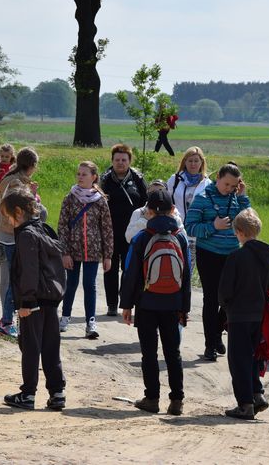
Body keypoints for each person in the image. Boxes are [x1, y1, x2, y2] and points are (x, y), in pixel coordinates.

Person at [120, 188, 191, 416]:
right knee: (173, 353)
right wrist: (184, 308)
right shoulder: (180, 237)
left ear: (148, 212)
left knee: (149, 353)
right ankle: (176, 401)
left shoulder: (141, 238)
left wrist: (127, 305)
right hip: (172, 304)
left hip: (147, 303)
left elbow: (130, 274)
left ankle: (152, 399)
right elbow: (187, 275)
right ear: (173, 210)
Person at [0, 188, 67, 411]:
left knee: (30, 347)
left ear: (18, 212)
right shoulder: (44, 230)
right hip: (51, 299)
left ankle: (27, 394)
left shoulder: (27, 235)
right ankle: (57, 393)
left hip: (34, 300)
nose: (8, 223)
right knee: (50, 348)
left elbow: (29, 269)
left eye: (8, 217)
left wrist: (26, 302)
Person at [184, 162, 250, 362]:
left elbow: (249, 221)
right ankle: (210, 344)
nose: (229, 189)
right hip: (209, 254)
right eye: (226, 184)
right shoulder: (203, 198)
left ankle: (217, 331)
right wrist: (213, 225)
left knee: (230, 299)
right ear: (218, 178)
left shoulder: (235, 198)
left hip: (232, 254)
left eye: (233, 186)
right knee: (211, 300)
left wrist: (242, 196)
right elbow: (190, 226)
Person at [218, 208, 269, 420]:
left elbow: (225, 290)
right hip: (260, 314)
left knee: (238, 360)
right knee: (253, 356)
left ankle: (245, 404)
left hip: (239, 315)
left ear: (240, 232)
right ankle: (256, 394)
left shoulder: (236, 257)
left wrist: (224, 307)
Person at [58, 161, 114, 339]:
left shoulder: (100, 200)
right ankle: (65, 317)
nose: (80, 177)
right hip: (72, 250)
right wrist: (64, 252)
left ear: (94, 177)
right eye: (79, 174)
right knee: (71, 284)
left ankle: (91, 322)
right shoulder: (70, 197)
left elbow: (107, 229)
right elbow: (62, 227)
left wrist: (108, 255)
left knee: (90, 285)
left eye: (84, 174)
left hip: (93, 250)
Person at [0, 147, 42, 337]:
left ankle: (6, 317)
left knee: (8, 278)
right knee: (14, 280)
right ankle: (6, 321)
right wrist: (34, 195)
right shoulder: (17, 182)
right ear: (32, 166)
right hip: (12, 234)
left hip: (5, 234)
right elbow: (21, 211)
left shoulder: (10, 178)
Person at [100, 144, 147, 316]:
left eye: (124, 160)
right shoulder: (104, 179)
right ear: (112, 161)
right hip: (109, 233)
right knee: (110, 269)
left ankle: (126, 301)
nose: (120, 163)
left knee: (129, 269)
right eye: (117, 160)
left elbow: (146, 204)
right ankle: (111, 304)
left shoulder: (138, 179)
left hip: (132, 234)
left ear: (129, 161)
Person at [167, 146, 211, 268]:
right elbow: (166, 201)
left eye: (196, 161)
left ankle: (186, 287)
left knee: (189, 268)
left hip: (196, 234)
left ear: (202, 162)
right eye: (190, 161)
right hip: (176, 230)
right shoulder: (174, 180)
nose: (193, 164)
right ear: (184, 162)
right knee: (174, 266)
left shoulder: (208, 184)